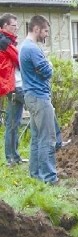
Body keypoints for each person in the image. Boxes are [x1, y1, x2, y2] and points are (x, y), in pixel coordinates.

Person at [19, 15, 58, 184]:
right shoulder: (32, 49)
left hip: (31, 96)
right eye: (45, 31)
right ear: (36, 29)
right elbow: (47, 71)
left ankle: (35, 175)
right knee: (47, 138)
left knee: (36, 137)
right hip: (39, 97)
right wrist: (49, 64)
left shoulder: (24, 46)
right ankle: (49, 177)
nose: (46, 35)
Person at [0, 13, 23, 166]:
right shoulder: (5, 41)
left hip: (11, 85)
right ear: (5, 26)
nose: (16, 29)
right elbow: (20, 59)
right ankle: (10, 157)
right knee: (12, 123)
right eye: (14, 26)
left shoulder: (6, 41)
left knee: (14, 122)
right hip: (13, 86)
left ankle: (13, 155)